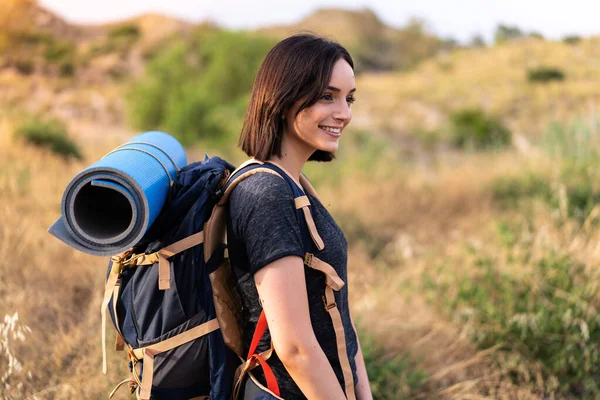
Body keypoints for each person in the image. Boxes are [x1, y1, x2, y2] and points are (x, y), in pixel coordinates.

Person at [227, 34, 373, 400]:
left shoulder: (295, 186)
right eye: (328, 96)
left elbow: (340, 313)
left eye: (349, 97)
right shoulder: (267, 194)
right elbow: (294, 347)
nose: (345, 112)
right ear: (284, 96)